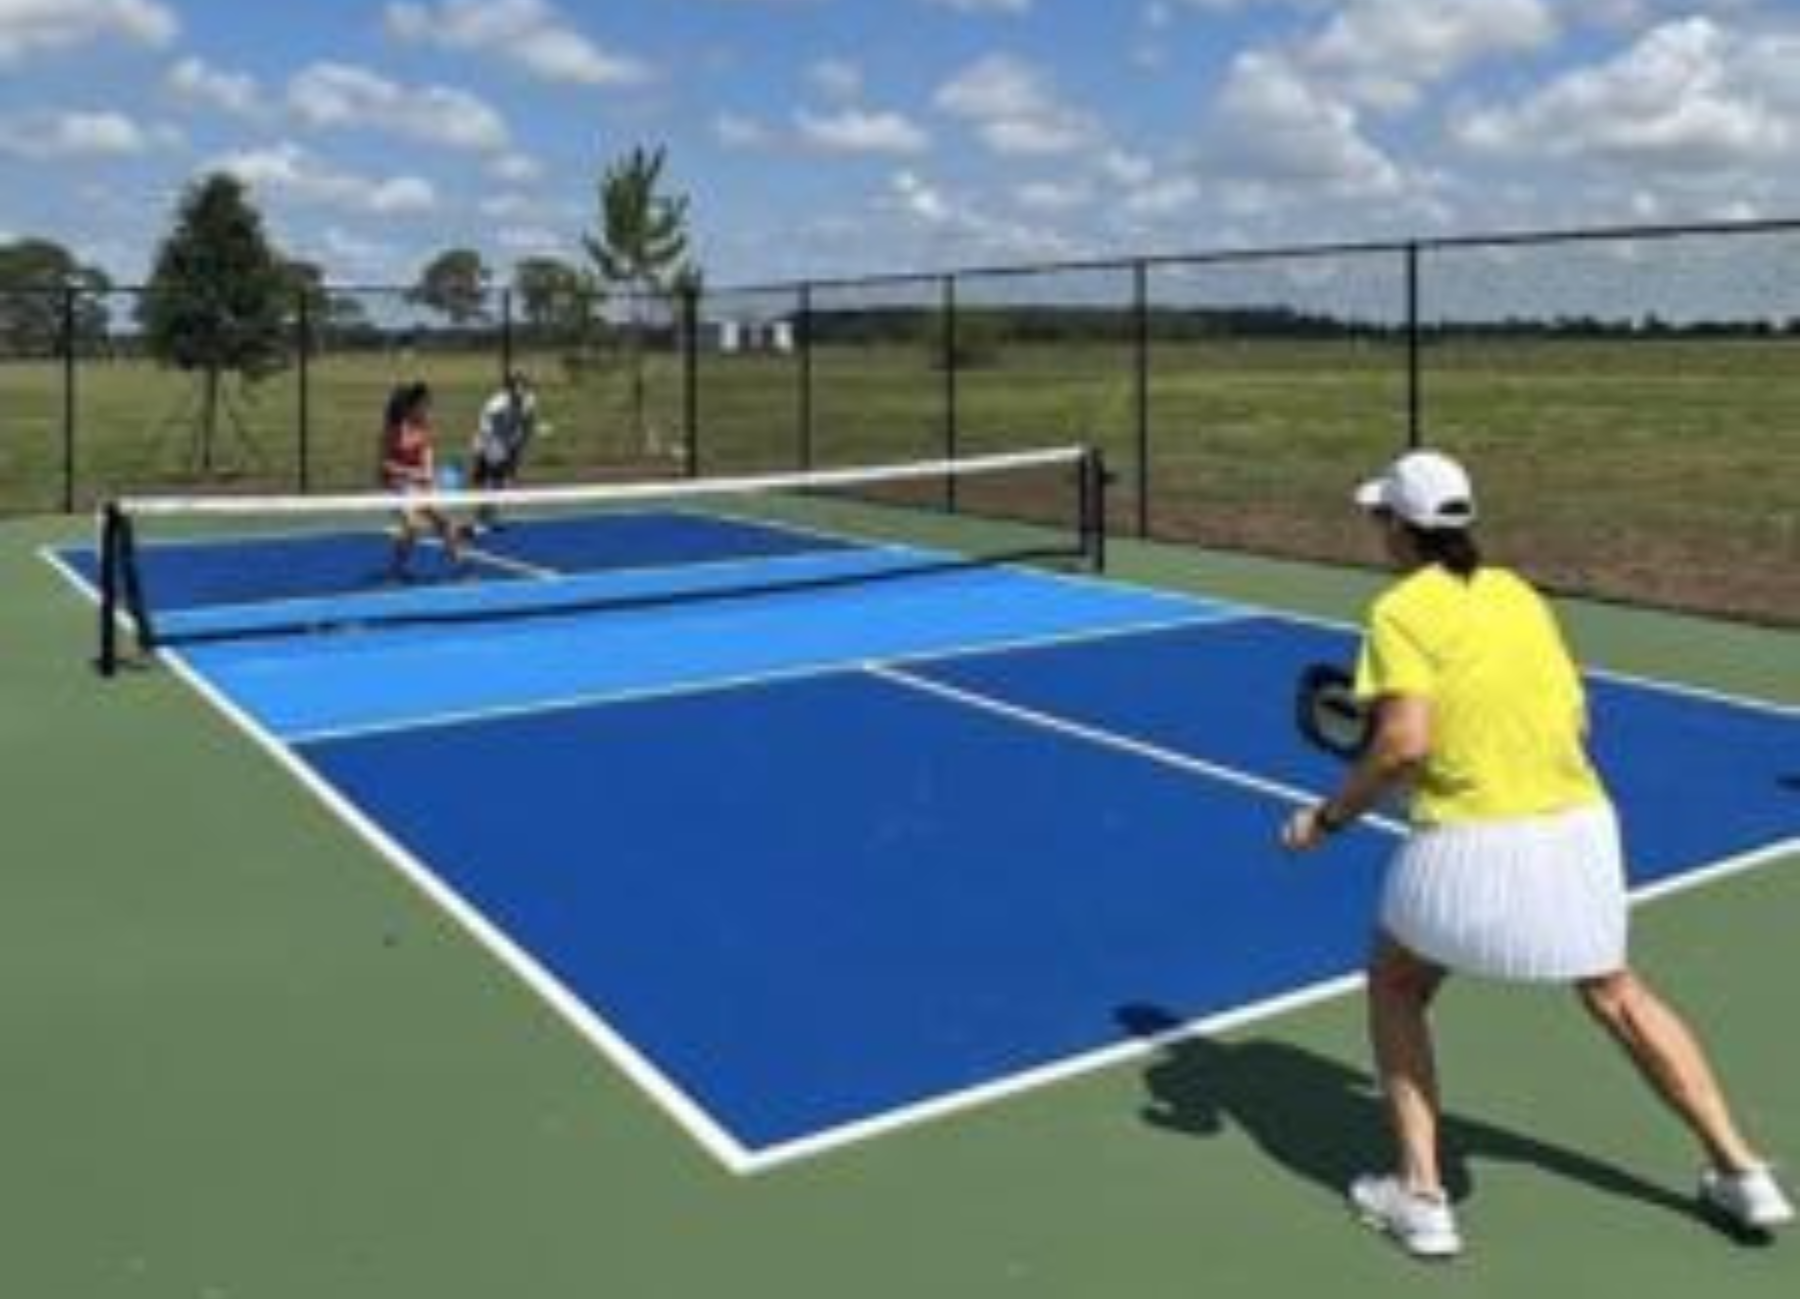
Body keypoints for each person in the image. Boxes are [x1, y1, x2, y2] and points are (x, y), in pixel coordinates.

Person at [1281, 448, 1792, 1260]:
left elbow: (1404, 741)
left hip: (1472, 840)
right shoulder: (1518, 592)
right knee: (1618, 993)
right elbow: (1576, 719)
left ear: (1400, 528)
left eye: (1380, 516)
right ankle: (1742, 1169)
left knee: (1397, 983)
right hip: (1582, 828)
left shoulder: (1398, 610)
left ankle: (1420, 1194)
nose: (1375, 529)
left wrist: (1328, 817)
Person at [379, 380, 464, 580]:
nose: (428, 407)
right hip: (397, 485)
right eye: (424, 403)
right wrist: (413, 474)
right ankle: (396, 569)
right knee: (413, 526)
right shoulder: (393, 429)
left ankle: (461, 565)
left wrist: (428, 474)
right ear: (412, 404)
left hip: (419, 485)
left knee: (445, 523)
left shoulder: (423, 426)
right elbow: (385, 465)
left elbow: (427, 456)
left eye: (428, 403)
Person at [468, 369, 538, 529]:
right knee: (481, 477)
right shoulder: (497, 402)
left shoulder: (530, 401)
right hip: (487, 439)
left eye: (523, 384)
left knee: (499, 479)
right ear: (510, 388)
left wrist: (520, 443)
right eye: (516, 385)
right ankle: (480, 512)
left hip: (507, 441)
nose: (520, 388)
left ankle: (490, 513)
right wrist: (492, 446)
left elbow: (528, 423)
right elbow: (485, 423)